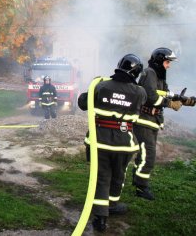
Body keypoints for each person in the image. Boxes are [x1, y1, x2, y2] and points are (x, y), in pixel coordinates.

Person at [77, 54, 147, 232]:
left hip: (100, 141)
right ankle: (112, 206)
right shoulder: (139, 92)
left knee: (101, 178)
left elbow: (82, 103)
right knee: (119, 175)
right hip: (124, 143)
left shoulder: (101, 85)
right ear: (137, 72)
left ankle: (100, 217)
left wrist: (92, 87)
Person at [132, 47, 184, 200]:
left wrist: (184, 100)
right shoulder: (150, 73)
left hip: (152, 121)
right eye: (167, 62)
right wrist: (169, 104)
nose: (169, 65)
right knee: (149, 155)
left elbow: (166, 94)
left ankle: (138, 181)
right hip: (143, 121)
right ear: (160, 61)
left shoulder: (160, 77)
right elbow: (151, 97)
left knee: (144, 154)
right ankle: (141, 188)